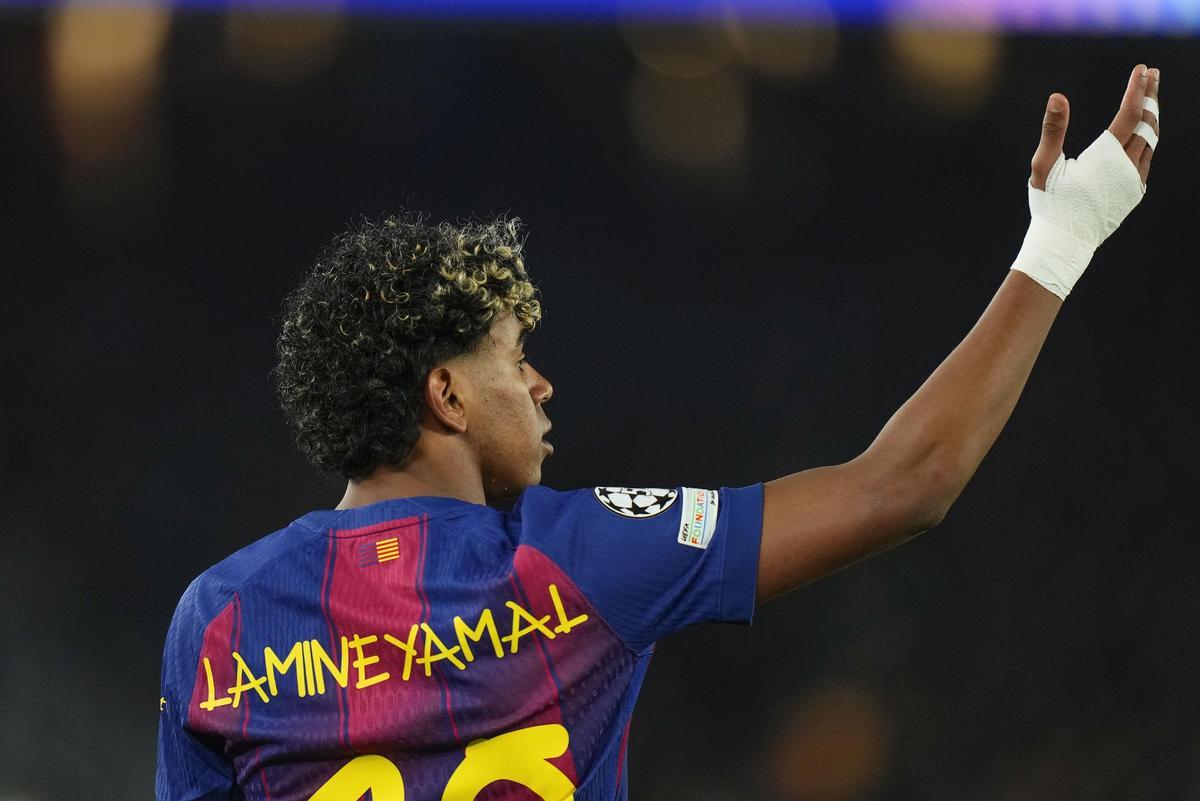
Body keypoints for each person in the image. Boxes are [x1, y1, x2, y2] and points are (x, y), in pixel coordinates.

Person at [157, 64, 1161, 800]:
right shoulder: (574, 558)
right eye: (514, 357)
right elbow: (904, 484)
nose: (541, 385)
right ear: (448, 396)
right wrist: (1059, 243)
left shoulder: (219, 621)